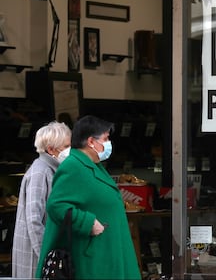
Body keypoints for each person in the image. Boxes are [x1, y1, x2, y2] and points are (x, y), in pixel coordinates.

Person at [35, 115, 141, 279]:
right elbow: (56, 205)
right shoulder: (73, 166)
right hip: (90, 259)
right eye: (105, 138)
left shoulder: (93, 165)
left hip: (104, 254)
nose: (108, 143)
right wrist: (87, 222)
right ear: (91, 141)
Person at [12, 121, 72, 279]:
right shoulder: (40, 172)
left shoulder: (52, 170)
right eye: (66, 146)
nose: (70, 151)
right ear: (51, 149)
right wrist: (46, 255)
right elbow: (34, 220)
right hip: (35, 258)